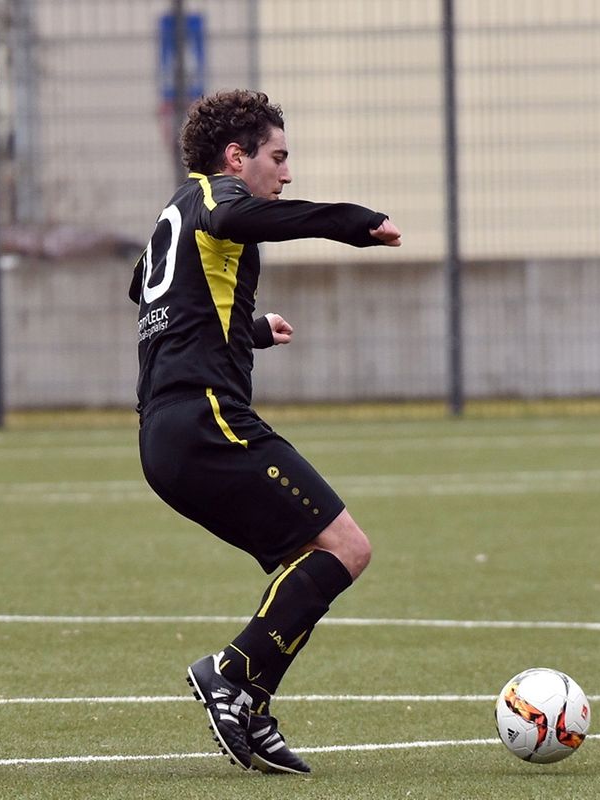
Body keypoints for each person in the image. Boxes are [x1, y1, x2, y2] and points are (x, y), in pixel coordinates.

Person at [130, 89, 401, 774]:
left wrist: (245, 329)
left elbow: (147, 289)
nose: (284, 174)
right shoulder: (217, 201)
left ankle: (250, 707)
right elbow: (259, 218)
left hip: (168, 433)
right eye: (277, 158)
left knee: (307, 562)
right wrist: (353, 222)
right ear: (235, 157)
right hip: (207, 420)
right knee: (346, 547)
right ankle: (229, 673)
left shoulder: (177, 210)